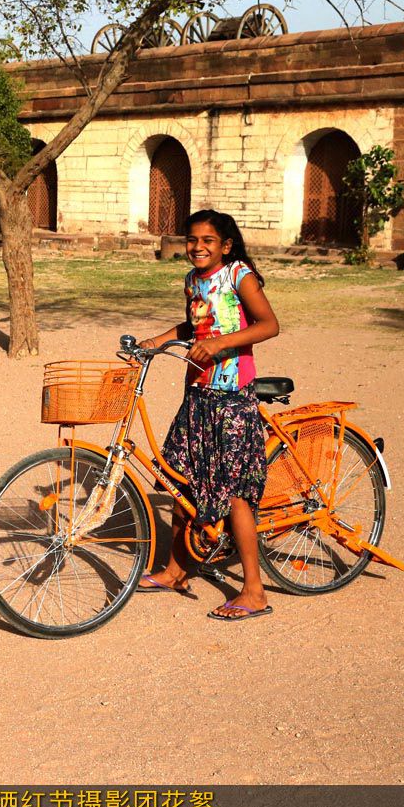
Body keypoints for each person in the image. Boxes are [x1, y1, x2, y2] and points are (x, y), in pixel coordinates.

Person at [135, 209, 280, 621]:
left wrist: (220, 345)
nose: (198, 247)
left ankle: (254, 591)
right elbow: (194, 325)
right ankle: (177, 570)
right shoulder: (192, 280)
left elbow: (269, 325)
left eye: (208, 240)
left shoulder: (238, 275)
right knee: (181, 479)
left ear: (226, 246)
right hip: (198, 392)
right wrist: (156, 341)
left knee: (234, 494)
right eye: (192, 240)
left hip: (232, 396)